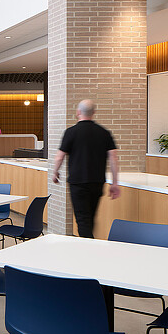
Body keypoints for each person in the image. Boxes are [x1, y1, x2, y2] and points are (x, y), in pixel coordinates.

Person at [52, 99, 121, 239]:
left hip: (78, 183)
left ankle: (88, 251)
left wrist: (55, 172)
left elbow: (59, 157)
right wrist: (115, 183)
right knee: (90, 218)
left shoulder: (71, 132)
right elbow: (113, 158)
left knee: (82, 220)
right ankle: (89, 247)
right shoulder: (104, 133)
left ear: (78, 112)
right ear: (94, 113)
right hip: (97, 181)